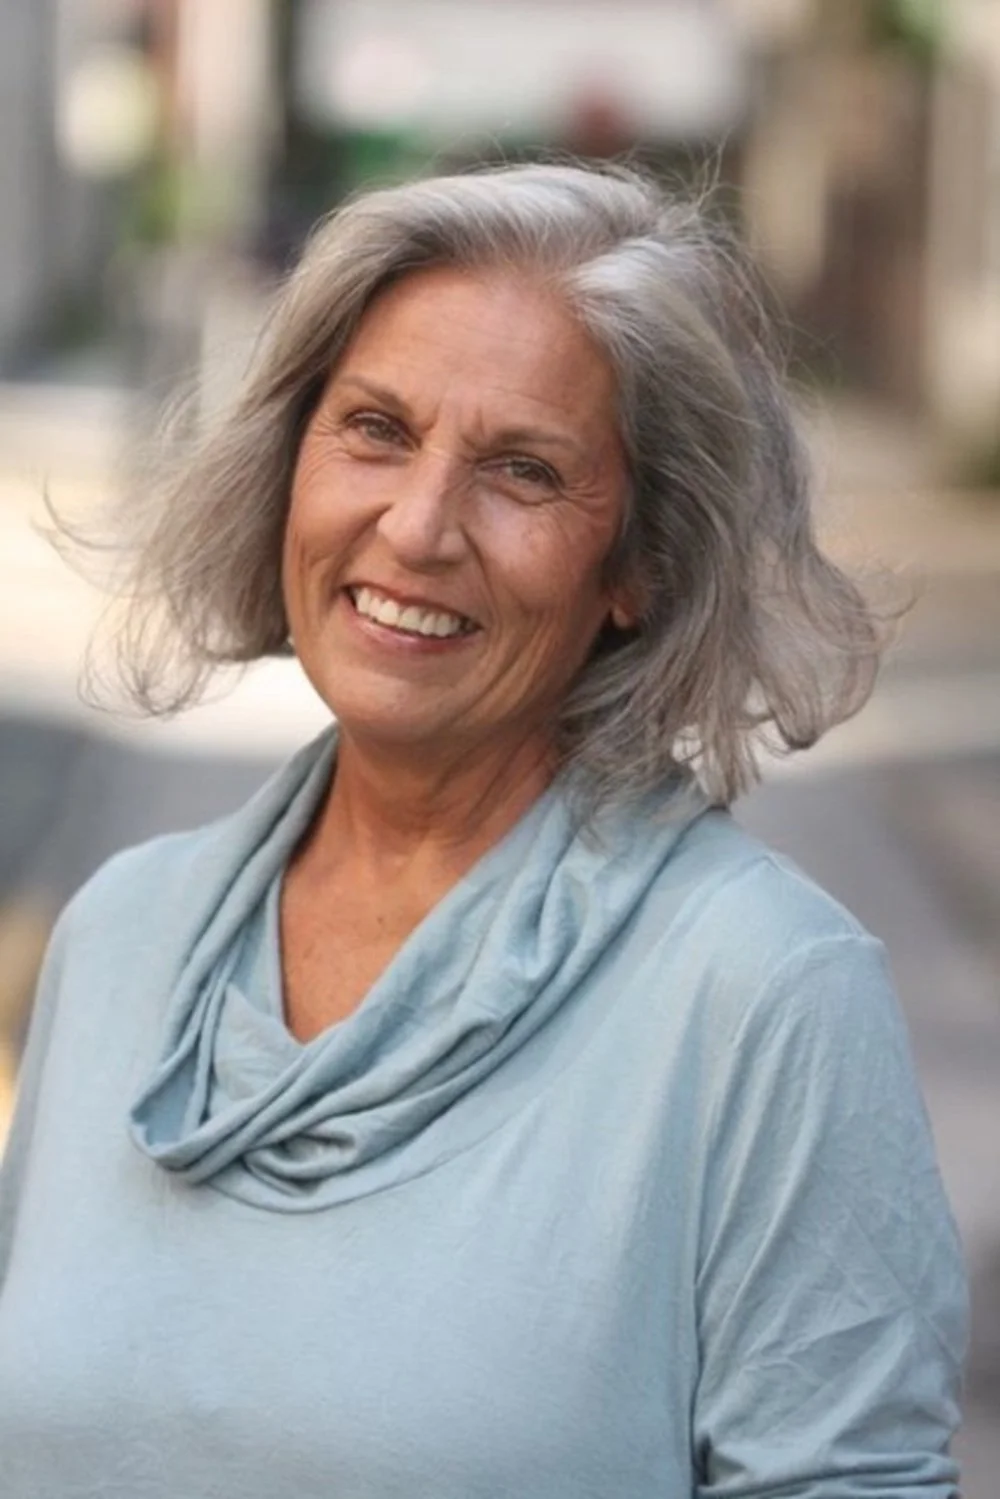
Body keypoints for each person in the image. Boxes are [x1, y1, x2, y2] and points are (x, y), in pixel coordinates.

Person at [0, 162, 966, 1497]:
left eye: (522, 469)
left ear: (639, 563)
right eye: (377, 430)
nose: (417, 525)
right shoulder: (118, 935)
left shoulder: (765, 998)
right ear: (291, 464)